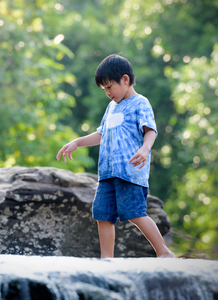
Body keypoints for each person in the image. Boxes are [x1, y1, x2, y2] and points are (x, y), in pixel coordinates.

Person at [56, 54, 175, 258]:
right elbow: (101, 134)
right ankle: (107, 259)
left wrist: (145, 149)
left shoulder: (140, 103)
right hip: (107, 173)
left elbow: (150, 130)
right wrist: (77, 142)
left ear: (125, 79)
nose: (107, 93)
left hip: (129, 171)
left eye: (110, 87)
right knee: (103, 215)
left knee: (134, 212)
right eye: (104, 89)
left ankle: (163, 251)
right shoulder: (111, 107)